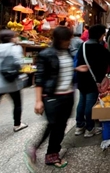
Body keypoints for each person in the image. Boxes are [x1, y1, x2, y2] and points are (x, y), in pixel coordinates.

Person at [26, 26, 83, 169]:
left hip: (68, 95)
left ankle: (36, 147)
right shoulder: (46, 54)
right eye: (66, 40)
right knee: (55, 126)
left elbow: (61, 69)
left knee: (58, 125)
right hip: (52, 96)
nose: (69, 43)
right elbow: (40, 78)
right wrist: (38, 101)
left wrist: (76, 69)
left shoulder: (67, 52)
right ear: (59, 40)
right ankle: (51, 155)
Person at [0, 30, 28, 132]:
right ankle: (17, 124)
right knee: (17, 103)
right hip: (12, 83)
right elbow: (19, 64)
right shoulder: (15, 48)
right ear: (12, 38)